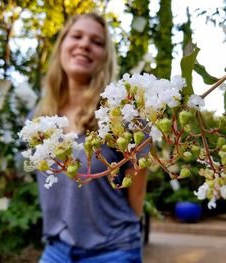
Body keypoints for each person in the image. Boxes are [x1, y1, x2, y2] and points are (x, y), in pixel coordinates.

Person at [34, 12, 147, 263]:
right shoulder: (39, 118)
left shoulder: (124, 113)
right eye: (76, 36)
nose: (84, 44)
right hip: (57, 248)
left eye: (97, 42)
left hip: (113, 251)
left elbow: (136, 192)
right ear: (62, 44)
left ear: (105, 56)